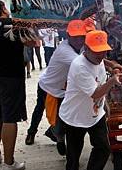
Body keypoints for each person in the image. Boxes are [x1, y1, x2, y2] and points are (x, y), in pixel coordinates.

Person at [59, 30, 122, 170]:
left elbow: (102, 65)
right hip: (75, 116)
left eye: (103, 51)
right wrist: (112, 81)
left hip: (95, 115)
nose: (100, 55)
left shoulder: (98, 58)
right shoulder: (79, 66)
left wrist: (111, 64)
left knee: (103, 148)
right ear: (86, 48)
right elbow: (95, 93)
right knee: (74, 150)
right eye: (96, 51)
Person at [25, 19, 87, 151]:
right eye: (75, 36)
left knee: (65, 114)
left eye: (81, 36)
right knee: (40, 110)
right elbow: (84, 63)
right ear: (68, 35)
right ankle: (31, 132)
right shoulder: (64, 49)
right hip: (48, 87)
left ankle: (56, 135)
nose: (78, 40)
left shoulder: (83, 48)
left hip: (64, 89)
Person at [0, 0, 28, 170]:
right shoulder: (11, 24)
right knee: (10, 117)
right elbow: (33, 42)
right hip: (9, 76)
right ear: (2, 9)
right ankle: (9, 163)